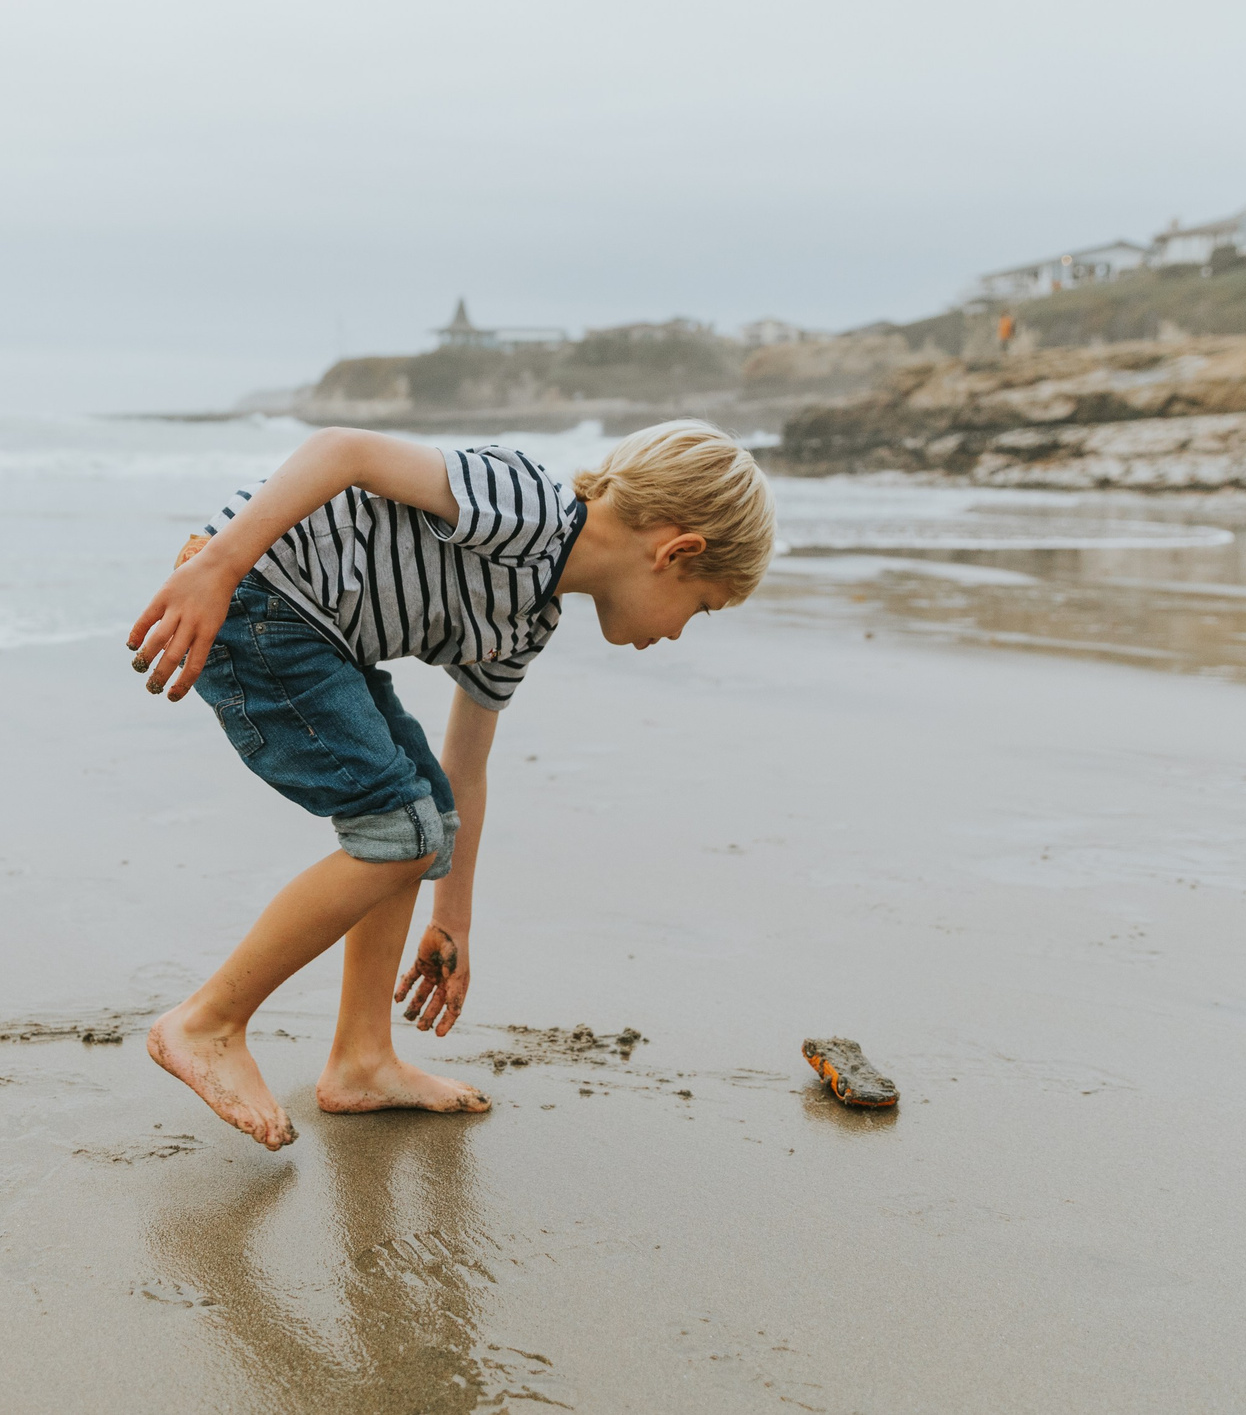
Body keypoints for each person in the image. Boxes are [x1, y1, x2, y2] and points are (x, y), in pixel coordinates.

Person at [127, 421, 775, 1150]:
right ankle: (207, 1020)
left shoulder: (529, 620)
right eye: (703, 606)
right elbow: (344, 451)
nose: (683, 632)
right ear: (677, 552)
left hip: (318, 634)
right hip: (253, 598)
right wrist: (218, 567)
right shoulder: (527, 505)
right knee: (397, 828)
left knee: (423, 811)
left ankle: (362, 1059)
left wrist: (453, 918)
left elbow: (465, 764)